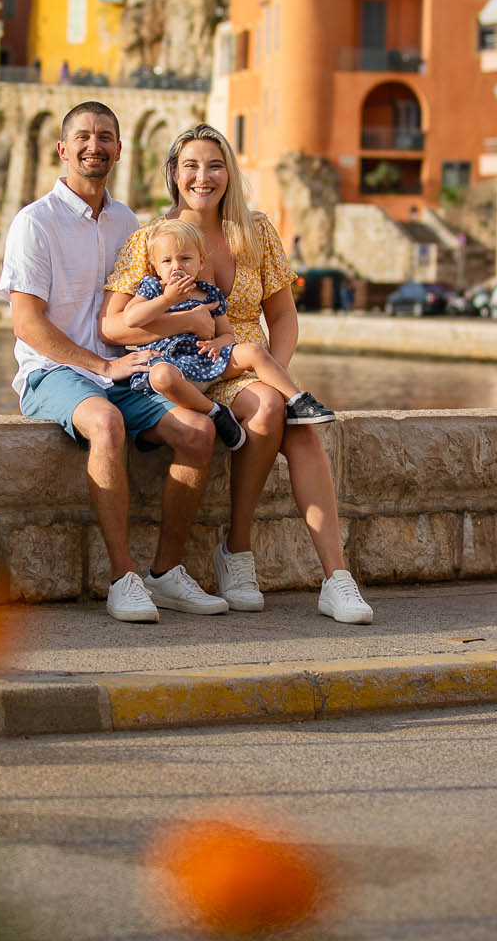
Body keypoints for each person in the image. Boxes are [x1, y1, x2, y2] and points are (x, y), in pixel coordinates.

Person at [102, 124, 374, 625]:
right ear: (173, 173)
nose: (202, 177)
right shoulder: (151, 239)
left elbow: (284, 315)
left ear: (229, 172)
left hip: (246, 360)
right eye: (191, 166)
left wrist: (276, 369)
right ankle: (239, 552)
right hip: (187, 365)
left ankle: (337, 579)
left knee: (296, 424)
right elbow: (115, 325)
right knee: (272, 406)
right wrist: (188, 322)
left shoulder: (258, 231)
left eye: (215, 165)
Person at [0, 101, 228, 624]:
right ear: (62, 148)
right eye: (83, 136)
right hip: (52, 373)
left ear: (119, 150)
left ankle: (166, 573)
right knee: (106, 423)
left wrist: (192, 326)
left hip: (123, 368)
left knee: (198, 432)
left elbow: (139, 310)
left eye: (105, 137)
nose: (94, 145)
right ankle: (124, 579)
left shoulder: (128, 223)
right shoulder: (35, 223)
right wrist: (100, 368)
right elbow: (27, 324)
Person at [116, 217, 335, 452]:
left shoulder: (209, 294)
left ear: (201, 262)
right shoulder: (153, 288)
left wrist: (219, 343)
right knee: (161, 377)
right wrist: (167, 299)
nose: (176, 266)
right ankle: (214, 412)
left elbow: (227, 334)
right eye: (167, 261)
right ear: (155, 266)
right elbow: (132, 318)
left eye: (185, 259)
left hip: (206, 362)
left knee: (253, 351)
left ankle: (296, 400)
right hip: (172, 367)